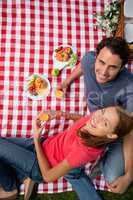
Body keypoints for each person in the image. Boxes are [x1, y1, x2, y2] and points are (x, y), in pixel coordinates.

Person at [0, 107, 133, 200]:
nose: (96, 118)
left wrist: (35, 138)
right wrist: (59, 114)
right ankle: (21, 176)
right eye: (103, 111)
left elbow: (48, 176)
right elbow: (84, 118)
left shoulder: (83, 152)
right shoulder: (95, 120)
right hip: (44, 144)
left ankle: (10, 188)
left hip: (40, 167)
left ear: (110, 134)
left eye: (105, 123)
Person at [57, 37, 133, 199]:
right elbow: (82, 66)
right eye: (102, 62)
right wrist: (67, 81)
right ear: (96, 57)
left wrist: (129, 175)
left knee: (113, 180)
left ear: (122, 68)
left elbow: (129, 133)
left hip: (115, 131)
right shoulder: (89, 59)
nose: (104, 72)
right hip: (93, 120)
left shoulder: (129, 88)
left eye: (113, 67)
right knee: (60, 150)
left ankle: (104, 157)